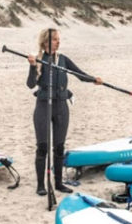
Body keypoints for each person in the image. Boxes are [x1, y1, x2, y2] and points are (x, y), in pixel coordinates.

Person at [27, 28, 102, 196]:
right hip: (43, 106)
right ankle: (41, 185)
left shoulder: (63, 59)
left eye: (59, 39)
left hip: (61, 106)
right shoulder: (39, 59)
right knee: (42, 147)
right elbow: (30, 84)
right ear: (45, 42)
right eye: (54, 39)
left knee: (59, 146)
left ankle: (59, 183)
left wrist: (94, 80)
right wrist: (32, 67)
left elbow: (80, 75)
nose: (58, 42)